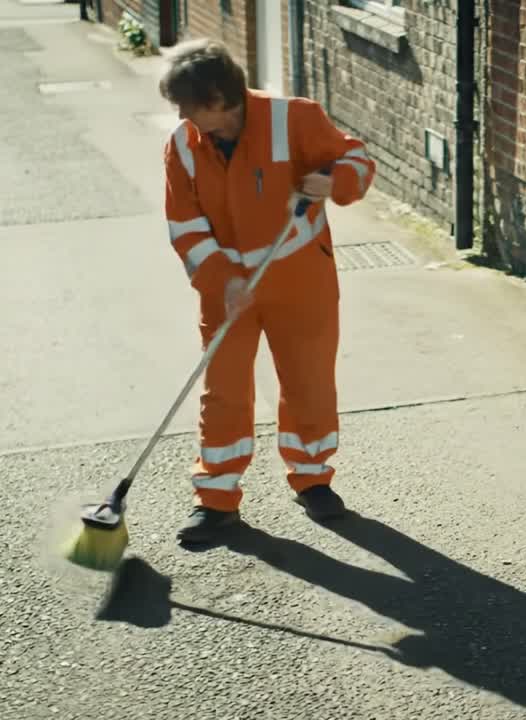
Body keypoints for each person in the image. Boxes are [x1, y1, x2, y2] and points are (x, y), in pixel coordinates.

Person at [158, 38, 375, 543]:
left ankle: (313, 479)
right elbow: (184, 225)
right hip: (227, 288)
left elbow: (358, 161)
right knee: (224, 392)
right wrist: (221, 279)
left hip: (301, 280)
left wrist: (334, 179)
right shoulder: (182, 145)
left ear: (218, 100)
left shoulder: (295, 118)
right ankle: (215, 499)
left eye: (187, 105)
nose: (180, 114)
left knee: (308, 381)